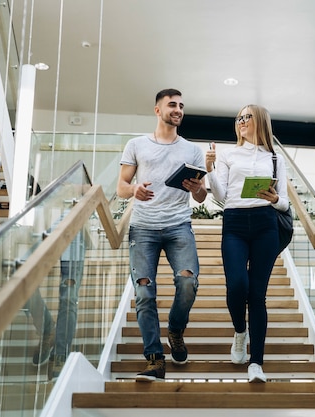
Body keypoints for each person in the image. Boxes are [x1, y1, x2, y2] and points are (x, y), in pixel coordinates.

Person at [116, 88, 207, 381]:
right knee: (144, 292)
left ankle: (176, 329)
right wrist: (134, 190)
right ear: (158, 110)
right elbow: (121, 187)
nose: (178, 109)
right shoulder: (136, 144)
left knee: (188, 281)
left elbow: (203, 196)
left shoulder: (193, 149)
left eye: (181, 105)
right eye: (172, 105)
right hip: (143, 227)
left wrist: (198, 189)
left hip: (179, 225)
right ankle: (155, 359)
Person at [205, 104, 290, 383]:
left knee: (257, 295)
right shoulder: (229, 155)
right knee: (237, 285)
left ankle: (257, 363)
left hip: (266, 223)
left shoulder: (275, 157)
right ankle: (240, 331)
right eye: (238, 118)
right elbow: (219, 196)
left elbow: (285, 201)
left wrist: (274, 198)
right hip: (235, 223)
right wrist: (209, 169)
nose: (241, 121)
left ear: (260, 121)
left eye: (247, 117)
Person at [24, 204, 86, 381]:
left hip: (74, 234)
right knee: (23, 282)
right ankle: (47, 329)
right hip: (41, 230)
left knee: (68, 298)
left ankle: (61, 353)